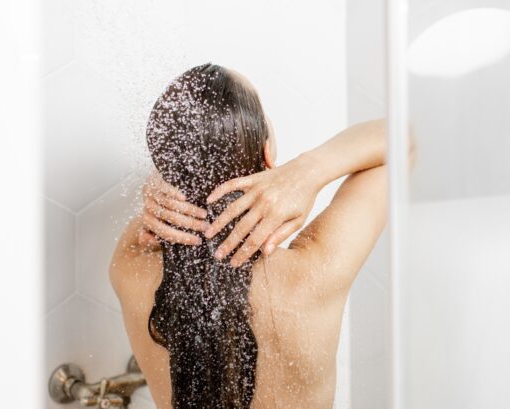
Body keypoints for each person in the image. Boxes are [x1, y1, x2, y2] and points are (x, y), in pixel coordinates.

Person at [110, 63, 411, 409]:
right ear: (267, 153)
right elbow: (408, 138)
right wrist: (308, 171)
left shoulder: (130, 268)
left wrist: (160, 189)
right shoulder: (315, 272)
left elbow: (157, 210)